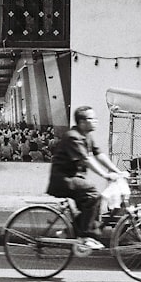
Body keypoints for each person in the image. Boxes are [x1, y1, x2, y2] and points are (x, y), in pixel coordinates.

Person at [46, 106, 125, 250]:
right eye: (91, 119)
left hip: (74, 179)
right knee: (93, 194)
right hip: (64, 180)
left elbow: (99, 155)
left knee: (91, 204)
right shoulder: (73, 137)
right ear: (82, 122)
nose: (95, 121)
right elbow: (86, 159)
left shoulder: (86, 136)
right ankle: (85, 237)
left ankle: (72, 231)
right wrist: (105, 175)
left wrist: (117, 171)